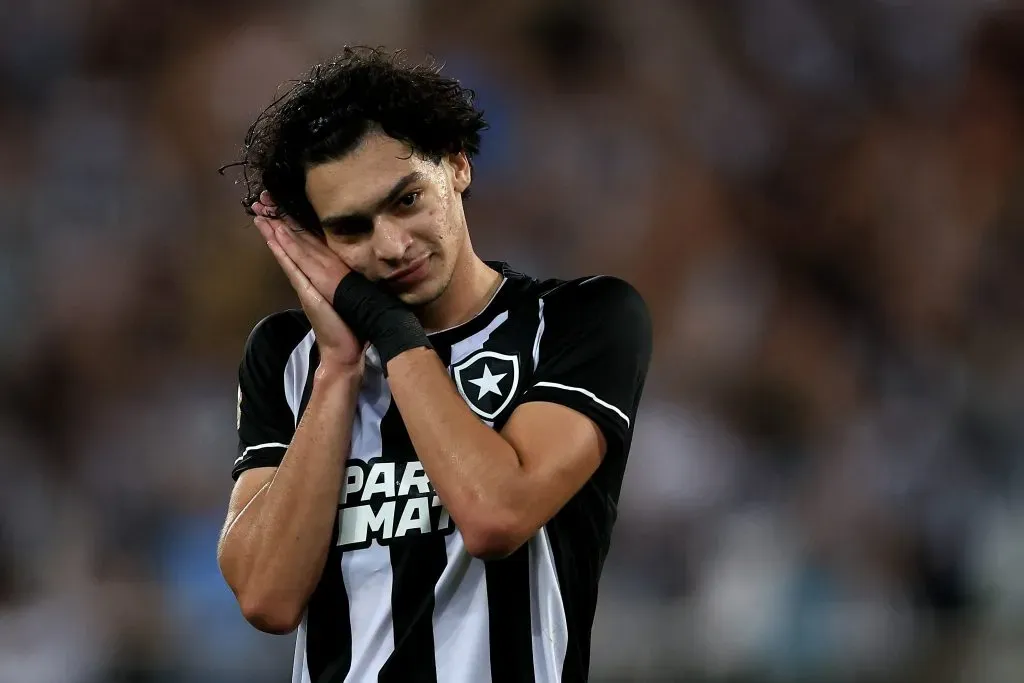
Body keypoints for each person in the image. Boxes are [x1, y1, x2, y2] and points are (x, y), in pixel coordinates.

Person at [217, 46, 652, 683]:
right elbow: (266, 597)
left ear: (457, 165)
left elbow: (495, 515)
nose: (392, 246)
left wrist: (394, 336)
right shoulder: (289, 357)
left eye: (406, 199)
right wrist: (338, 369)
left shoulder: (581, 319)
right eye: (352, 228)